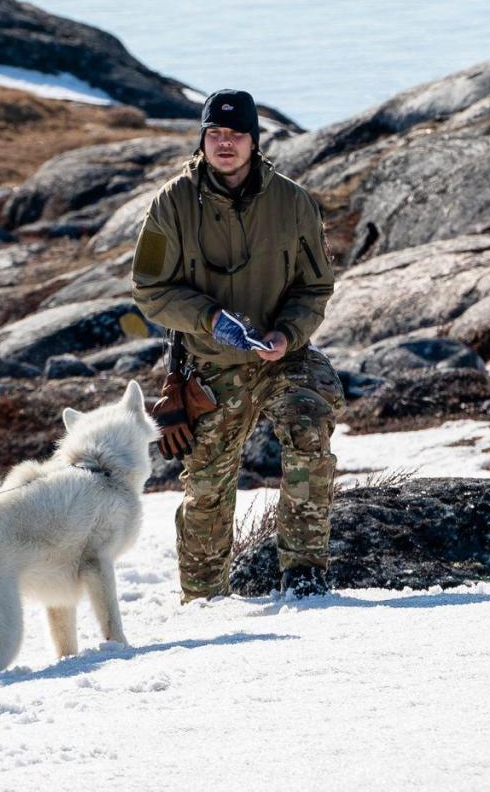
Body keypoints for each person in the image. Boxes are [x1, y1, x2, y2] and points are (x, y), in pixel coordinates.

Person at [131, 88, 343, 601]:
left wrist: (287, 333)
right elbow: (150, 289)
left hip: (282, 358)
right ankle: (203, 600)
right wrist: (206, 319)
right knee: (205, 486)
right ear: (203, 139)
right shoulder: (171, 203)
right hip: (210, 367)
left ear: (254, 140)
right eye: (215, 134)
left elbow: (315, 287)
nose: (225, 143)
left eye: (236, 134)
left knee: (308, 430)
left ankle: (305, 575)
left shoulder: (293, 203)